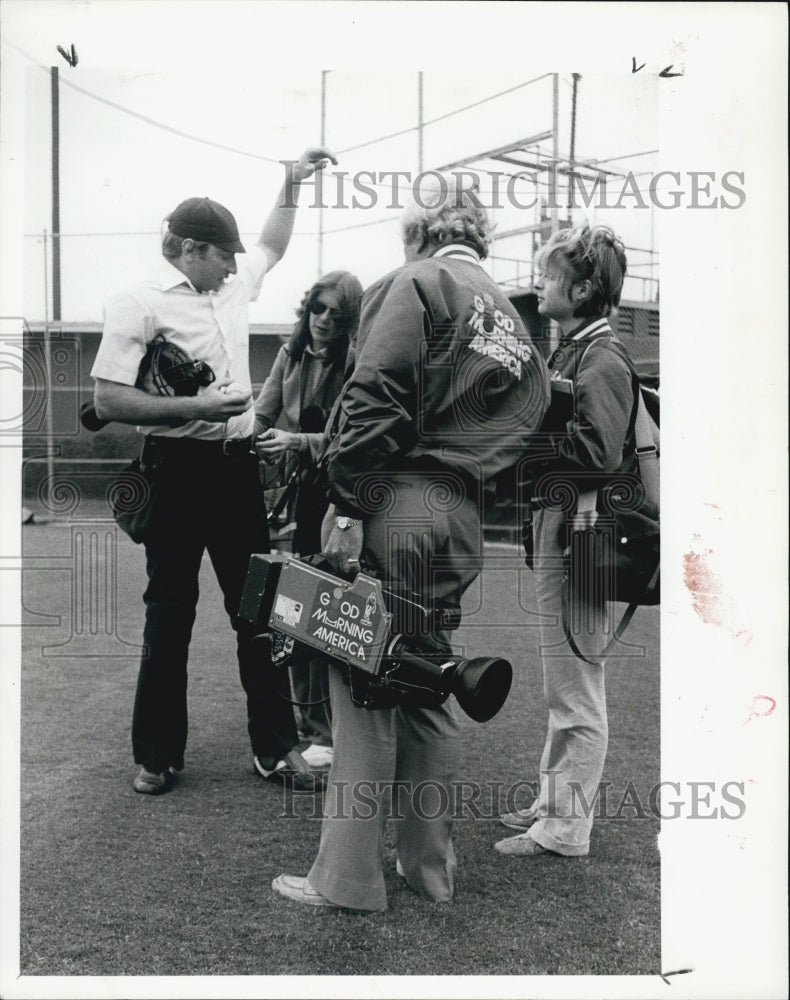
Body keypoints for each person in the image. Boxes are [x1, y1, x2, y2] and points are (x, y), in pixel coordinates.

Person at [271, 180, 551, 911]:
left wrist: (346, 498)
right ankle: (430, 872)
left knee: (361, 686)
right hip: (461, 515)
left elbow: (374, 396)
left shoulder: (418, 281)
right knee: (427, 690)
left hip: (394, 501)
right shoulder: (514, 320)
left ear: (421, 234)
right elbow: (528, 424)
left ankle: (347, 881)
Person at [90, 146, 338, 795]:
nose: (236, 265)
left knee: (258, 610)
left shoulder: (230, 284)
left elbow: (272, 245)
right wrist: (196, 405)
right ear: (194, 249)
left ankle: (276, 749)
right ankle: (157, 756)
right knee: (169, 613)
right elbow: (107, 400)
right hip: (172, 469)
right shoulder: (137, 301)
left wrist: (290, 182)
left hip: (235, 472)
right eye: (224, 254)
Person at [494, 224, 635, 858]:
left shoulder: (600, 357)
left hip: (587, 536)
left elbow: (599, 454)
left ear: (582, 287)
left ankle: (566, 829)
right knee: (565, 680)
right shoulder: (577, 351)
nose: (539, 285)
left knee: (576, 683)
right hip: (569, 530)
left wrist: (529, 434)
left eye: (550, 276)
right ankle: (552, 804)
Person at [252, 270, 363, 765]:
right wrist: (242, 434)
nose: (322, 320)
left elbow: (352, 442)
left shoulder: (359, 364)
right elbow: (262, 412)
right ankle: (310, 725)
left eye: (335, 314)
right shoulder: (290, 354)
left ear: (350, 322)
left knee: (334, 610)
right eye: (317, 308)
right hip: (299, 497)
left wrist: (296, 442)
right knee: (294, 608)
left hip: (343, 498)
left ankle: (334, 732)